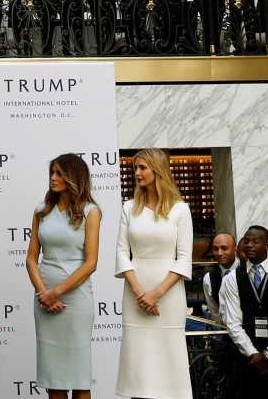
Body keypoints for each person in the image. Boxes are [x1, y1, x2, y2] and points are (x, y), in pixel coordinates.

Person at [114, 148, 194, 398]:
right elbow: (120, 254)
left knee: (169, 364)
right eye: (135, 168)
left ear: (157, 170)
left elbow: (183, 259)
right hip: (135, 294)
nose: (136, 172)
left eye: (142, 168)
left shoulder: (180, 209)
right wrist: (141, 294)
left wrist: (156, 294)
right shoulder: (129, 208)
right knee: (139, 368)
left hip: (168, 297)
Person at [23, 154, 99, 399]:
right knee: (53, 377)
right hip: (44, 297)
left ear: (73, 177)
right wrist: (42, 292)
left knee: (79, 377)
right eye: (52, 173)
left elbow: (91, 263)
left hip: (76, 300)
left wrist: (56, 292)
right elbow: (31, 258)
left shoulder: (91, 211)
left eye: (59, 173)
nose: (53, 178)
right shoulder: (41, 211)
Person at [218, 225, 268, 396]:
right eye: (246, 241)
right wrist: (253, 354)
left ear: (267, 246)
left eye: (255, 241)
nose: (249, 245)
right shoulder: (231, 279)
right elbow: (233, 322)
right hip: (246, 359)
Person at [202, 232, 238, 319]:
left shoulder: (247, 271)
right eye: (215, 249)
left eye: (224, 248)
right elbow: (214, 311)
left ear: (235, 249)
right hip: (224, 328)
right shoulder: (208, 278)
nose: (219, 253)